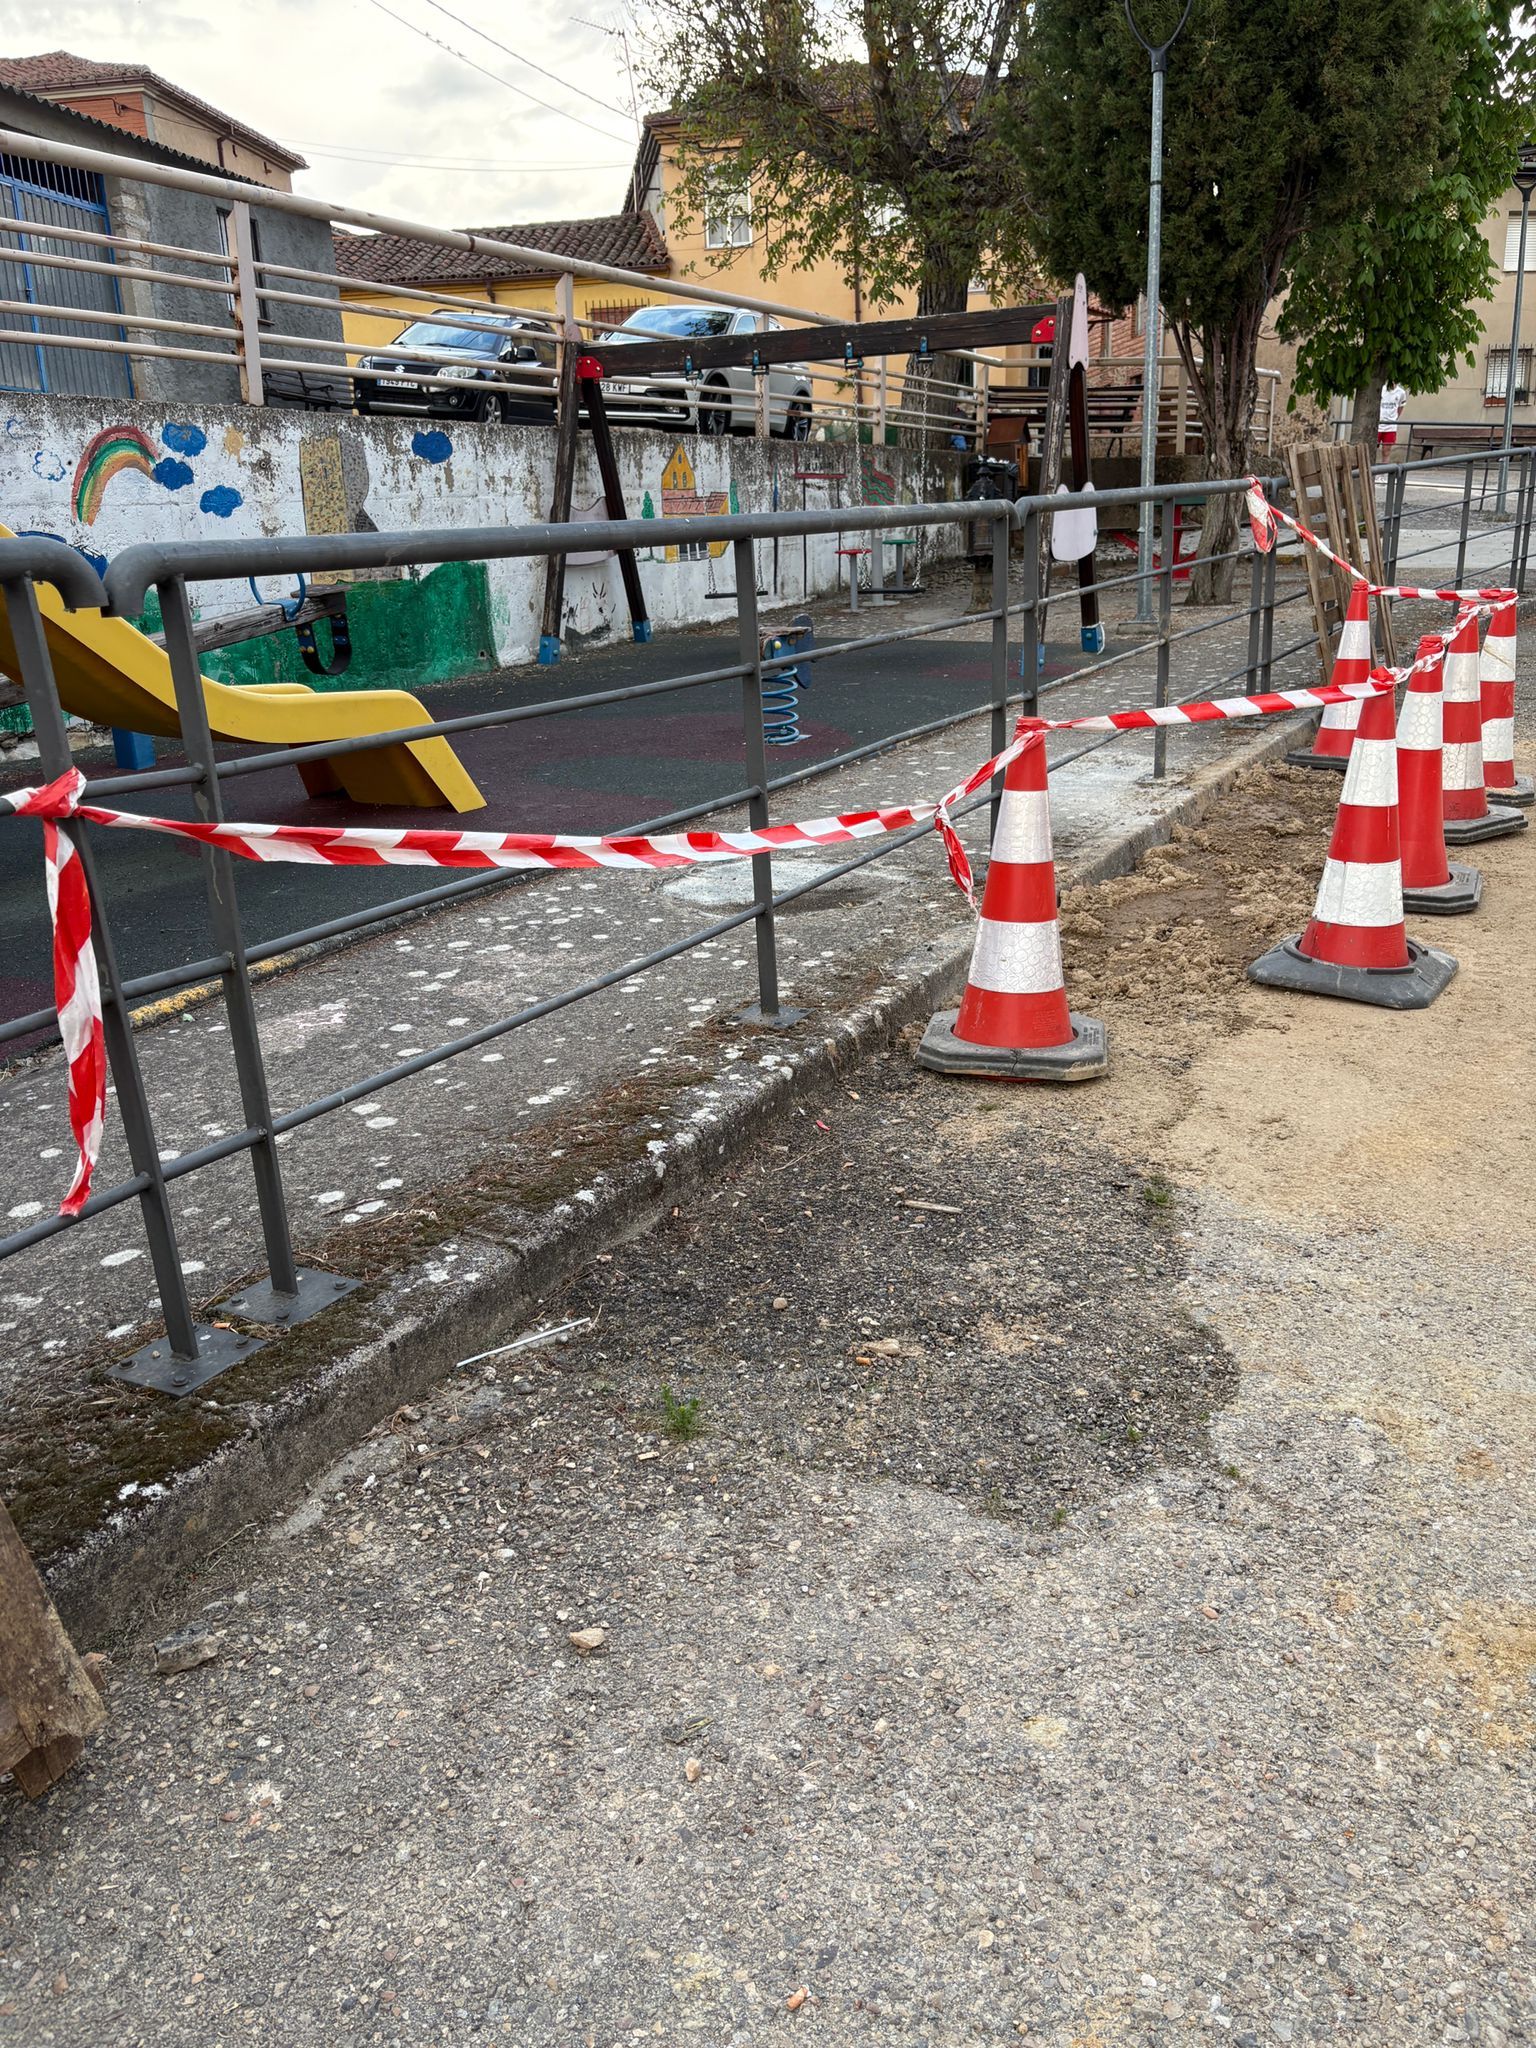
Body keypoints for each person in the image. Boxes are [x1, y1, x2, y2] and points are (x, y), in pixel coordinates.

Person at [1378, 380, 1409, 455]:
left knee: (1386, 452)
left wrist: (1394, 419)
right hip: (1378, 425)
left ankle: (1385, 466)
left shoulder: (1401, 392)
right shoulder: (1381, 389)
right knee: (1370, 449)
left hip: (1391, 427)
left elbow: (1401, 407)